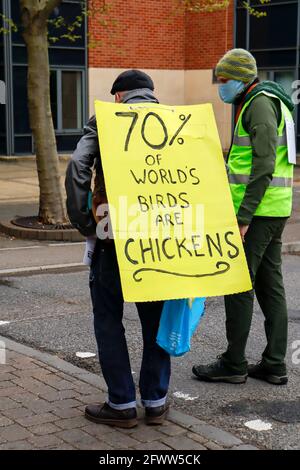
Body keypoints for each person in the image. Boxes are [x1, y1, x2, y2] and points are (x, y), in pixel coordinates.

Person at [65, 70, 170, 428]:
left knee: (109, 317)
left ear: (119, 97)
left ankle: (122, 403)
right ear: (151, 95)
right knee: (155, 320)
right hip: (160, 238)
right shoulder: (175, 122)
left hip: (113, 232)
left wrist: (84, 221)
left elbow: (79, 164)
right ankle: (156, 401)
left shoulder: (107, 120)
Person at [192, 49, 295, 386]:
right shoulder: (265, 101)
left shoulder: (260, 104)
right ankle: (274, 363)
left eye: (224, 80)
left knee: (237, 285)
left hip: (258, 213)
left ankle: (234, 362)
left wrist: (243, 217)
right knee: (270, 286)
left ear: (241, 77)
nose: (221, 87)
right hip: (272, 209)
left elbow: (263, 165)